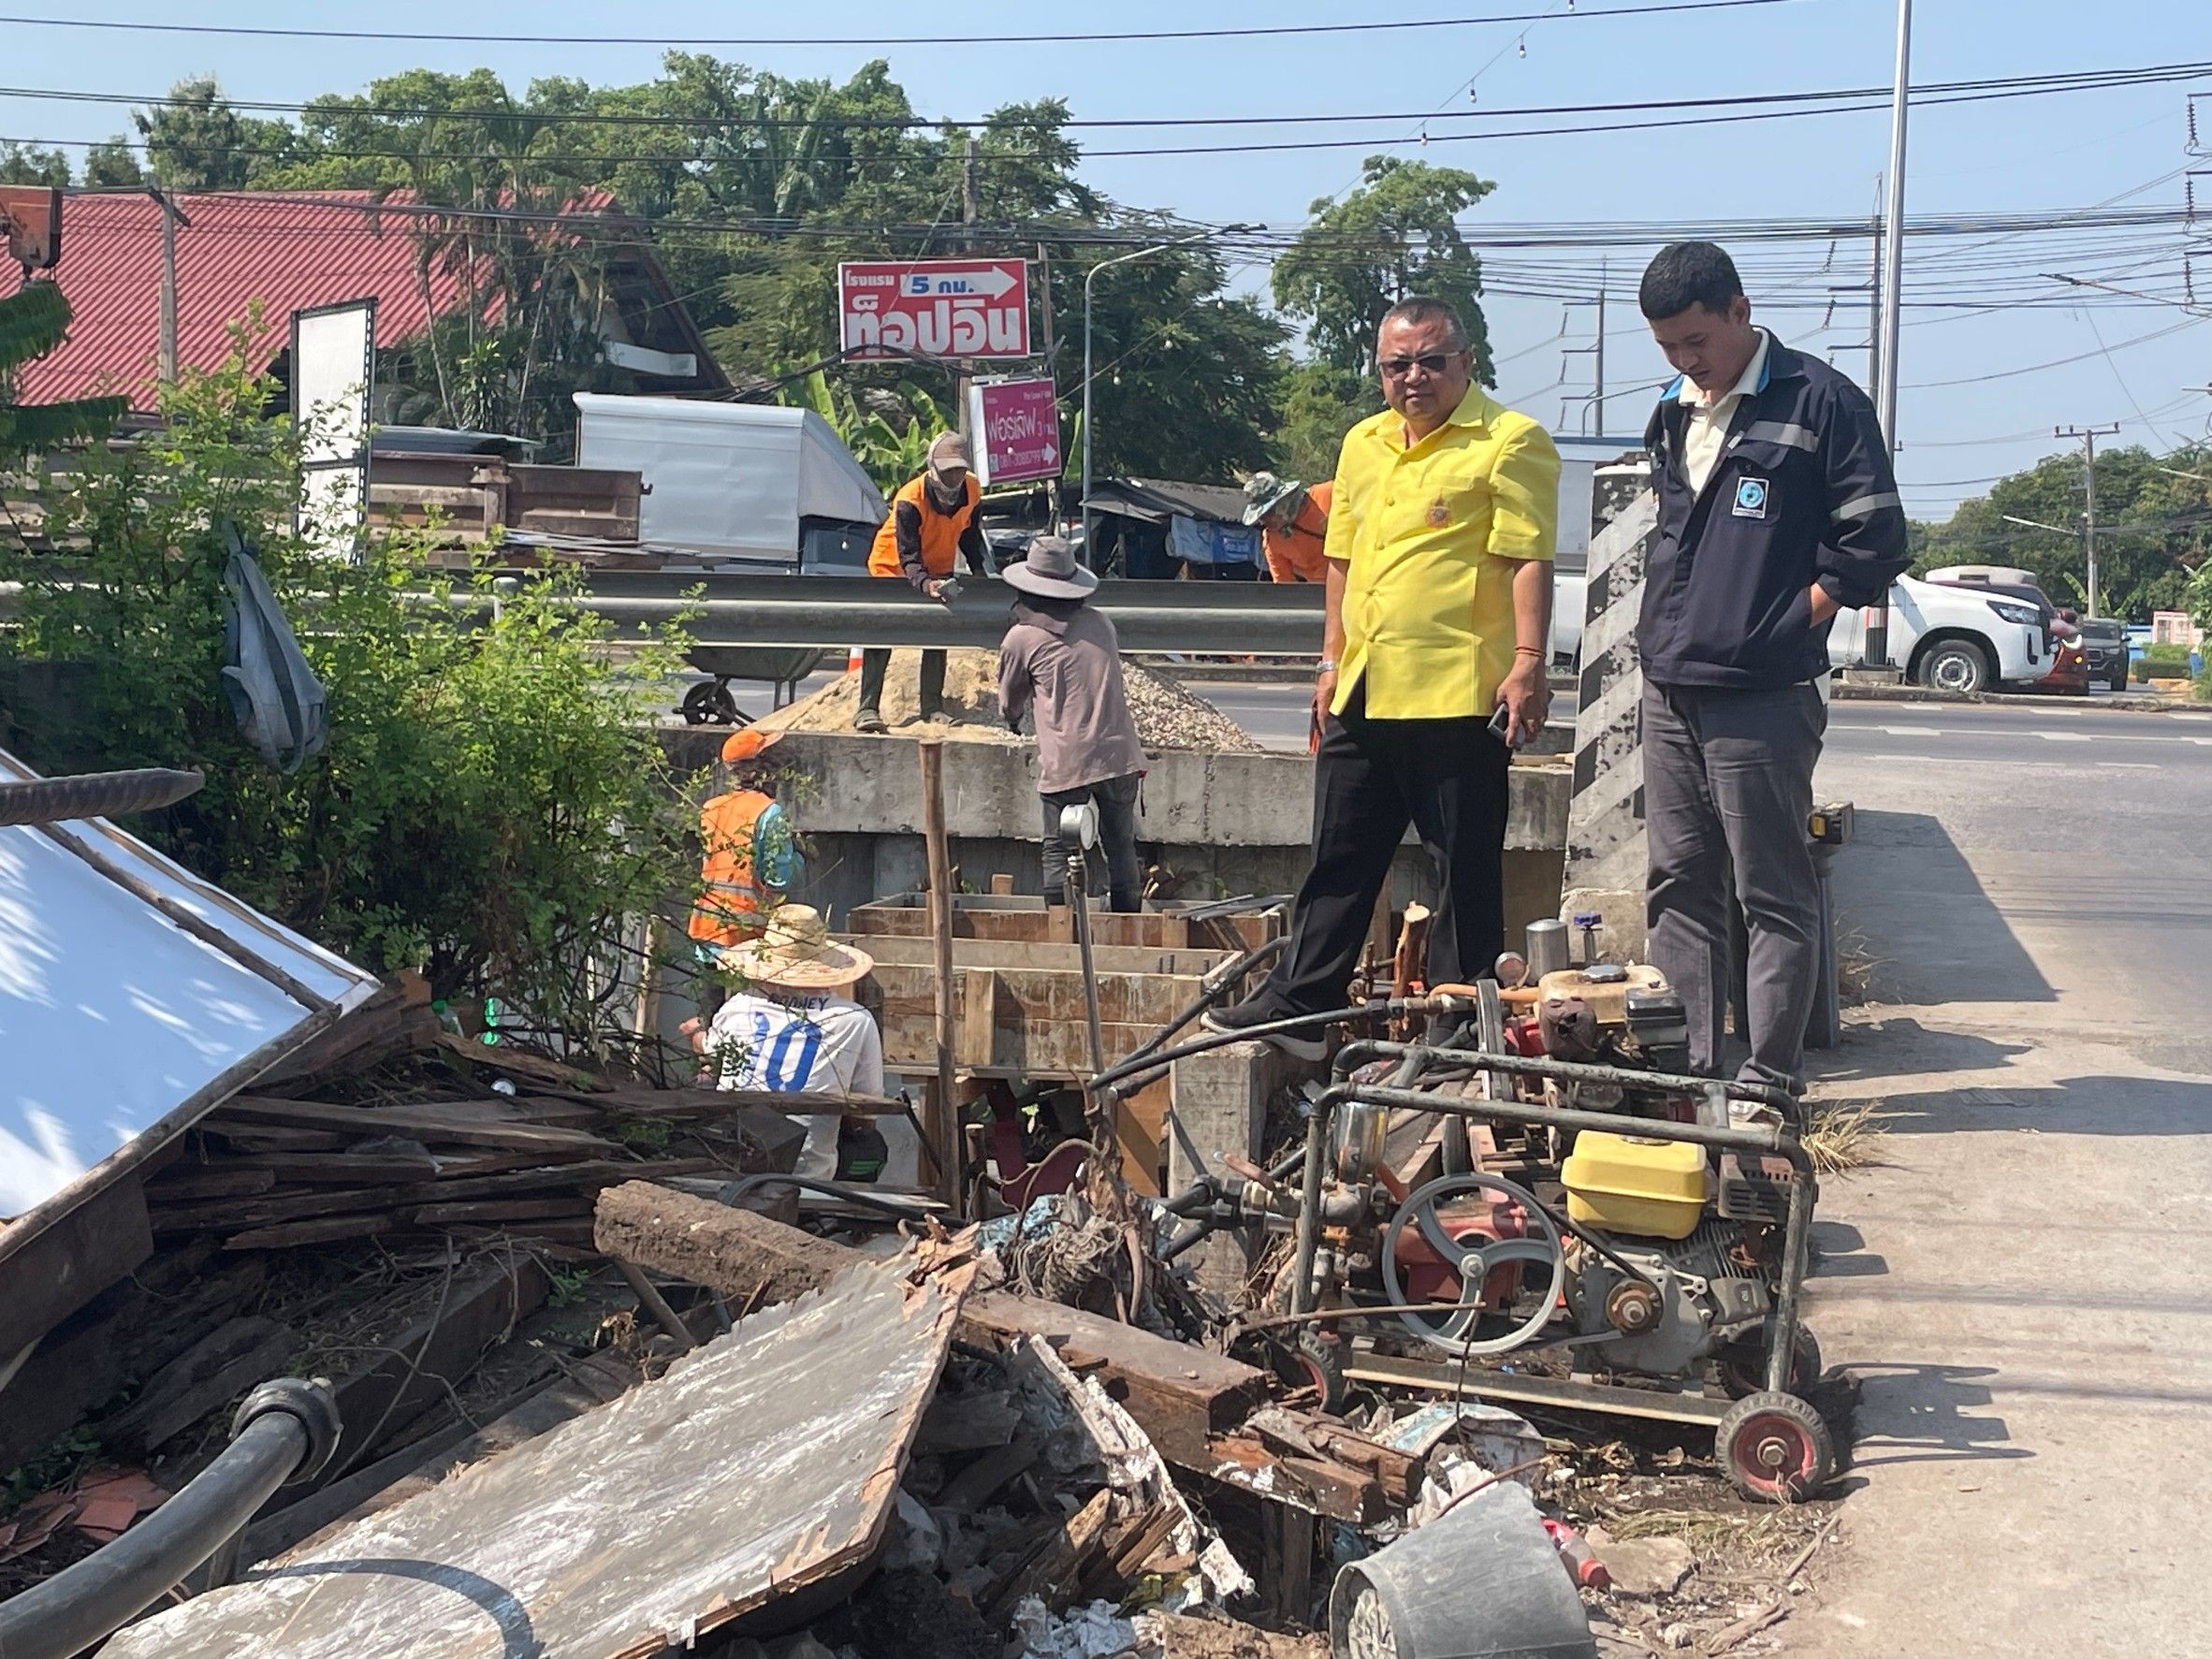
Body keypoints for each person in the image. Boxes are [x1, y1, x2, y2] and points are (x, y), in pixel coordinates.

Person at [1203, 298, 1560, 1058]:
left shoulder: (1509, 441)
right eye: (1397, 365)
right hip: (1366, 684)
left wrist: (1529, 663)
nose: (1415, 377)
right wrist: (1330, 662)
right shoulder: (1362, 444)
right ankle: (1304, 1001)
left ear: (1467, 362)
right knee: (1339, 855)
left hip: (1459, 693)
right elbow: (1341, 561)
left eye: (1432, 360)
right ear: (1380, 372)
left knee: (1460, 867)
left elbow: (1528, 556)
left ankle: (1462, 1018)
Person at [1635, 241, 1908, 1090]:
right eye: (1668, 348)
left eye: (1696, 342)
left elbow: (1875, 542)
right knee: (1678, 886)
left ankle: (1766, 1082)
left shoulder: (1820, 402)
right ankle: (1691, 1081)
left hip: (1763, 697)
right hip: (1670, 688)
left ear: (1741, 313)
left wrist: (1789, 623)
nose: (1686, 362)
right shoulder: (1674, 411)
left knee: (1770, 892)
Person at [699, 904, 920, 1186]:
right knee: (868, 1145)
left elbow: (714, 1064)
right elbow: (865, 1117)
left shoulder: (737, 1007)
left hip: (733, 1167)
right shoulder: (853, 1019)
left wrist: (697, 1039)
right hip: (807, 1177)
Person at [997, 534, 1147, 912]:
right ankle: (1128, 927)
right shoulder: (1100, 623)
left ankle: (1062, 928)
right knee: (1120, 844)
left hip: (1070, 759)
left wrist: (1012, 720)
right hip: (1119, 753)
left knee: (1058, 848)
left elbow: (1010, 701)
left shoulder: (1022, 637)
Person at [858, 430, 990, 734]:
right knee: (881, 634)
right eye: (948, 471)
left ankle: (932, 708)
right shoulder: (910, 500)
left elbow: (970, 537)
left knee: (937, 634)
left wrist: (981, 573)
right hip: (891, 567)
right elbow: (909, 556)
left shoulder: (971, 490)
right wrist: (925, 584)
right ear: (932, 468)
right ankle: (867, 709)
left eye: (959, 470)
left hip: (938, 565)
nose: (954, 477)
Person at [687, 728, 800, 955]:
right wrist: (798, 859)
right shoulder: (769, 813)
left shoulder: (711, 808)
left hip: (709, 931)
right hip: (747, 938)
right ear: (763, 768)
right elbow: (779, 880)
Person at [1243, 471, 1336, 585]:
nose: (1266, 521)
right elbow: (1285, 587)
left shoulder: (1328, 494)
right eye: (1261, 517)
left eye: (1270, 512)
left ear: (1284, 500)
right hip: (1322, 594)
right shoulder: (1272, 542)